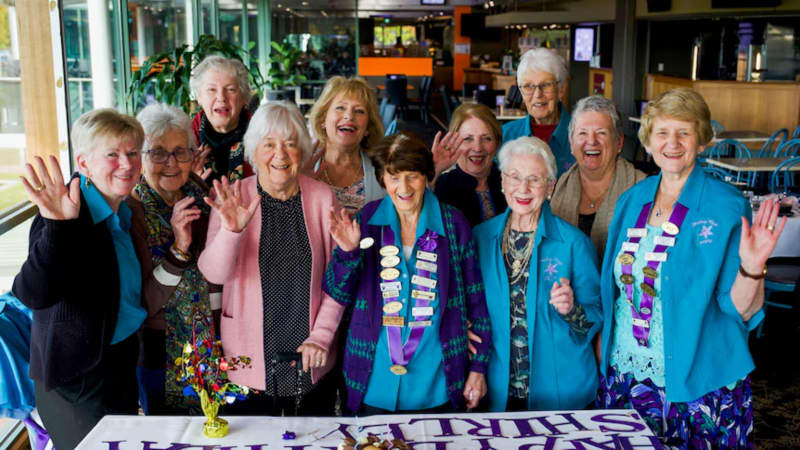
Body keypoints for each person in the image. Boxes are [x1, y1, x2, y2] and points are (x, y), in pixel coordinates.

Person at [597, 88, 786, 447]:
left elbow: (738, 309)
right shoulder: (631, 199)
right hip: (627, 375)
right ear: (648, 142)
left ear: (701, 142)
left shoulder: (726, 206)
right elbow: (617, 292)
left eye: (684, 132)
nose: (673, 142)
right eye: (662, 133)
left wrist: (752, 267)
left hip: (699, 383)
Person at [323, 131, 492, 415]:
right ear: (382, 179)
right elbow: (336, 290)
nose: (403, 186)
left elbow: (477, 301)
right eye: (393, 176)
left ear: (426, 176)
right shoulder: (365, 221)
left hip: (436, 381)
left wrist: (478, 367)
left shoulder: (454, 224)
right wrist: (349, 253)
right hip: (373, 380)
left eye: (412, 175)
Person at [198, 101, 345, 416]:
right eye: (269, 144)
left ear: (302, 151)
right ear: (253, 151)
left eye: (291, 144)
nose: (280, 154)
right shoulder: (234, 195)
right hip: (247, 354)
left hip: (311, 352)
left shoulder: (322, 198)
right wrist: (231, 232)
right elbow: (213, 273)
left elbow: (340, 278)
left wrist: (322, 336)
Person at [13, 109, 148, 450]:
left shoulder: (125, 210)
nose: (126, 164)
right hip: (76, 379)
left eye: (133, 153)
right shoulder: (66, 213)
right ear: (84, 164)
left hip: (118, 365)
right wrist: (59, 227)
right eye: (112, 154)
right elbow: (32, 292)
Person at [472, 136, 601, 412]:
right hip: (495, 389)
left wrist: (572, 309)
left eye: (534, 179)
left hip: (561, 391)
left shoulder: (574, 244)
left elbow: (596, 319)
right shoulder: (480, 239)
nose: (523, 188)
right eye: (515, 177)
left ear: (550, 186)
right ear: (502, 182)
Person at [129, 103, 220, 414]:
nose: (171, 162)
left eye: (180, 152)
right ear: (140, 157)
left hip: (211, 341)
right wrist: (179, 249)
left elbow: (218, 270)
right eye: (157, 152)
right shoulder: (132, 210)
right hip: (159, 349)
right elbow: (142, 302)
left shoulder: (200, 192)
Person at [551, 96, 646, 258]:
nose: (591, 141)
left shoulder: (642, 189)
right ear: (571, 143)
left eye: (601, 133)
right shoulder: (556, 187)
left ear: (619, 142)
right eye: (582, 133)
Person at [306, 76, 385, 213]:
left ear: (367, 128)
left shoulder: (383, 170)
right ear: (323, 120)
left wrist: (429, 181)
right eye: (340, 108)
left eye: (359, 111)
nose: (349, 116)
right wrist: (298, 186)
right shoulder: (302, 165)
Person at [502, 48, 574, 178]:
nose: (537, 95)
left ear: (561, 89)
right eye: (528, 86)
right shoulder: (505, 136)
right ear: (521, 92)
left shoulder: (582, 136)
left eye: (546, 85)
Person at [432, 103, 507, 227]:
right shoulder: (440, 186)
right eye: (468, 139)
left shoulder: (512, 182)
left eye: (486, 138)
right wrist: (433, 173)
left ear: (497, 143)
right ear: (453, 143)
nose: (477, 148)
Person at [190, 55, 254, 182]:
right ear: (199, 98)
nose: (221, 97)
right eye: (211, 89)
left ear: (244, 98)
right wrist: (188, 181)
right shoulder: (184, 138)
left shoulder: (262, 134)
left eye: (230, 89)